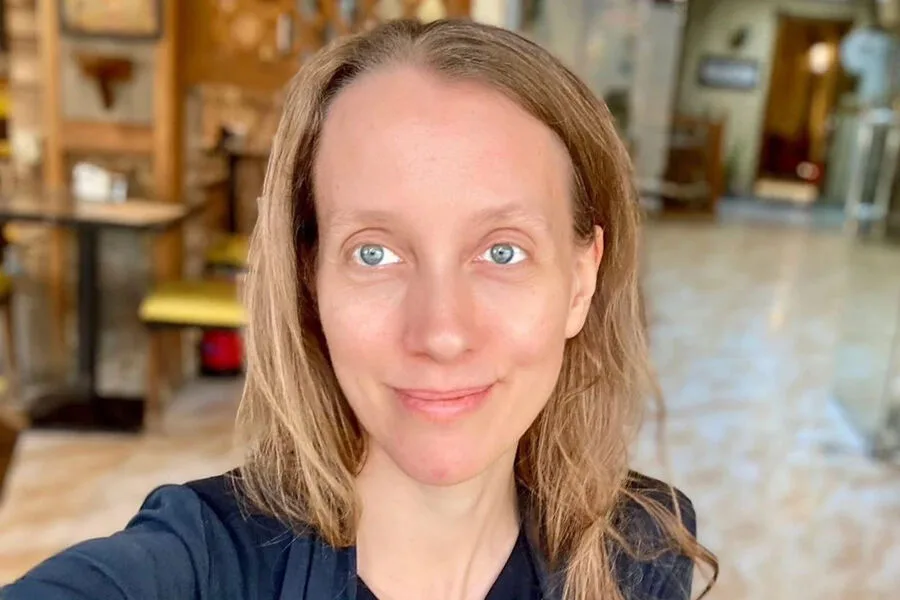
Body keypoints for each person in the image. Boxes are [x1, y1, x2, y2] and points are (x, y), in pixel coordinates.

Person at [2, 18, 717, 600]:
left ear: (581, 284)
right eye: (375, 253)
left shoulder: (640, 550)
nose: (441, 333)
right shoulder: (202, 564)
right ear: (310, 279)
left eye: (503, 251)